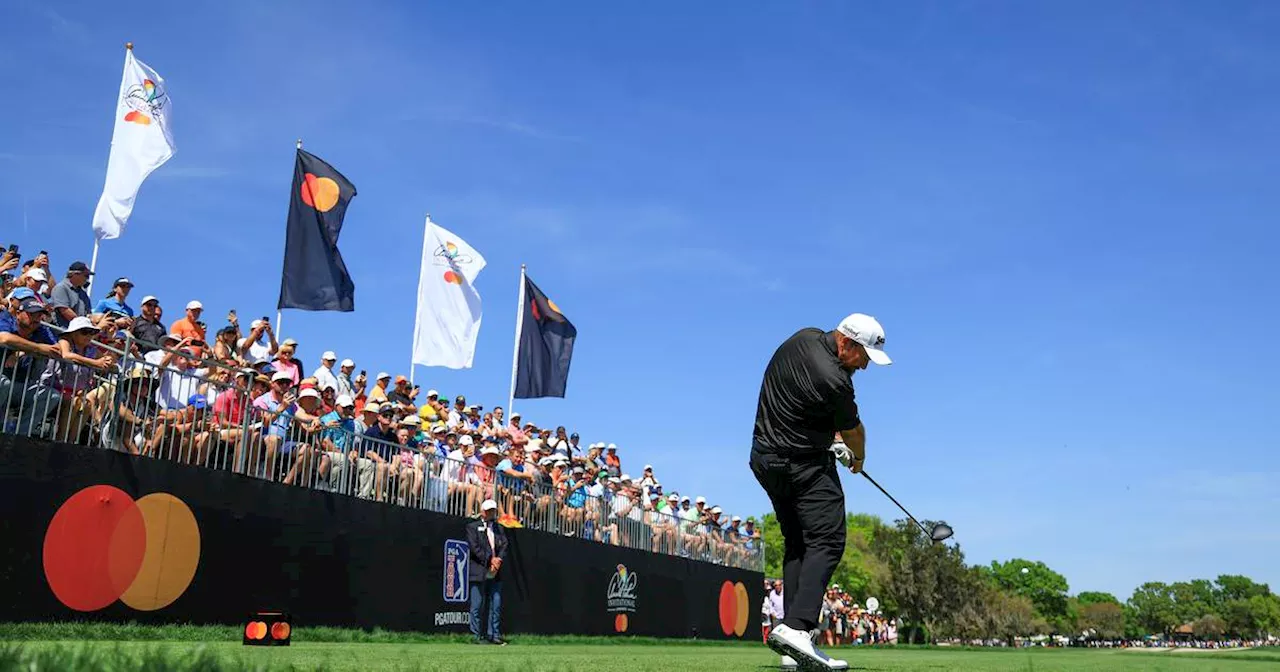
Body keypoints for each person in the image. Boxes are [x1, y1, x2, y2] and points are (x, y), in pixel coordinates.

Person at [750, 313, 891, 671]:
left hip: (765, 459)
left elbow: (804, 407)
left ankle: (789, 643)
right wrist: (857, 456)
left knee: (799, 543)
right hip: (802, 466)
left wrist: (832, 439)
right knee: (828, 540)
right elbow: (855, 430)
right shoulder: (836, 380)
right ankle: (799, 628)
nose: (864, 367)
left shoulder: (804, 336)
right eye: (864, 357)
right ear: (846, 344)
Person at [465, 499, 509, 646]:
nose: (492, 513)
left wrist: (498, 560)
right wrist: (490, 559)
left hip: (495, 571)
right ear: (483, 511)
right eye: (489, 510)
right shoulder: (472, 527)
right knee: (477, 604)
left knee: (495, 603)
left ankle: (494, 635)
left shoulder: (499, 528)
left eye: (494, 510)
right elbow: (474, 548)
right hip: (479, 570)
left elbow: (504, 545)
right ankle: (476, 636)